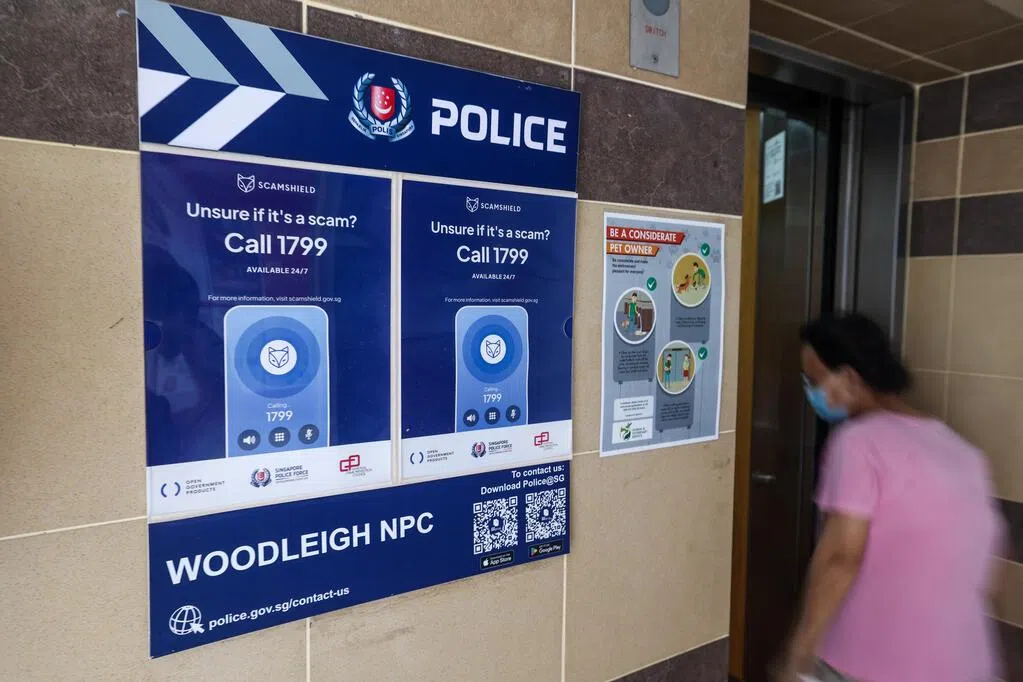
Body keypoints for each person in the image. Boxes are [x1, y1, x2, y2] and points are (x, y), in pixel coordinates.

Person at [776, 312, 1007, 682]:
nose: (810, 392)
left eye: (815, 381)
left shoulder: (858, 444)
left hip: (874, 663)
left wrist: (799, 653)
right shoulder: (961, 452)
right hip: (967, 663)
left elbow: (841, 559)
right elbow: (986, 571)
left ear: (849, 378)